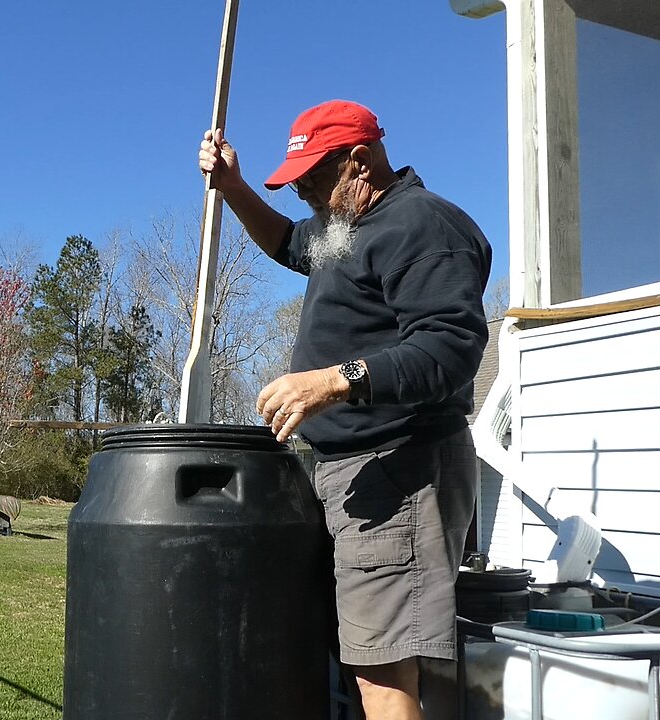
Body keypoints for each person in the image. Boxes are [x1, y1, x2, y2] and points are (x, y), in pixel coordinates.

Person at [198, 99, 491, 720]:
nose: (303, 192)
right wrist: (233, 187)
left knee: (382, 673)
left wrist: (334, 381)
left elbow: (449, 349)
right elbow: (284, 242)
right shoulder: (347, 227)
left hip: (398, 469)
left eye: (311, 177)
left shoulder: (423, 228)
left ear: (360, 161)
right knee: (378, 665)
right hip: (353, 469)